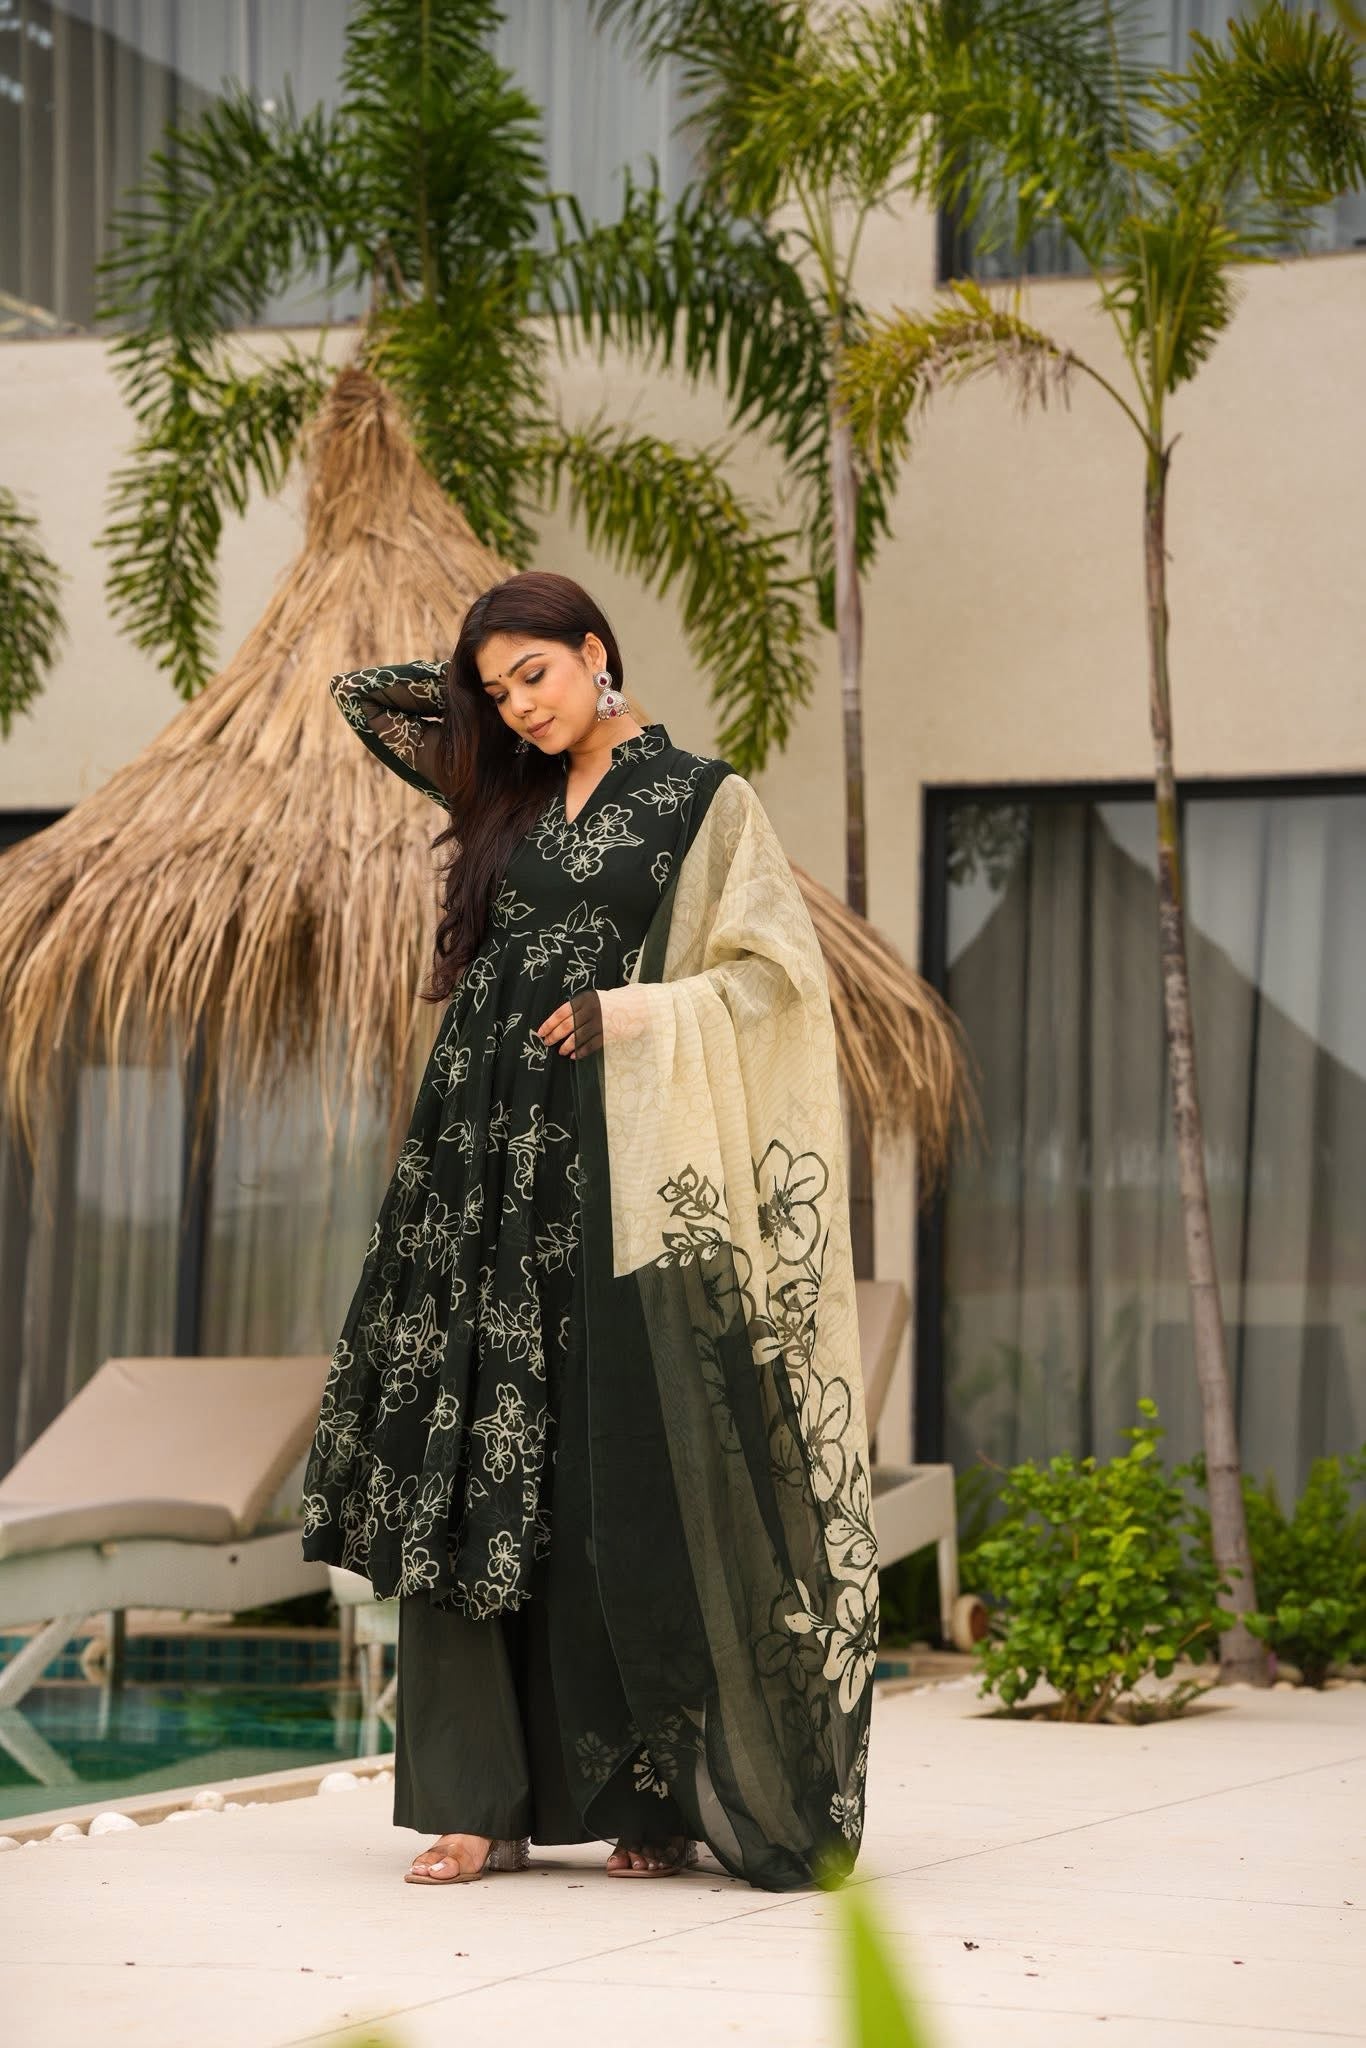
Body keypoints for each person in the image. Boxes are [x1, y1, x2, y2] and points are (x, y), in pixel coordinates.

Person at [301, 570, 876, 1893]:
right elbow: (364, 699)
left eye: (537, 674)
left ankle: (651, 1799)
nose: (519, 706)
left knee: (621, 1458)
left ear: (596, 652)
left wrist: (637, 1013)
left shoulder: (703, 799)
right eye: (495, 691)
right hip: (480, 1161)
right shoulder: (500, 785)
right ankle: (473, 1804)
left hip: (624, 1162)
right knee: (474, 1458)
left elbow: (774, 976)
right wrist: (487, 701)